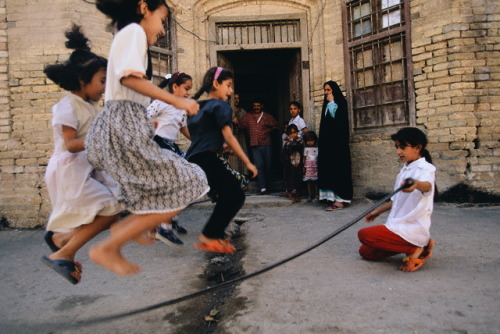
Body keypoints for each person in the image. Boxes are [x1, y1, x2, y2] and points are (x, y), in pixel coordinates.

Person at [85, 0, 209, 275]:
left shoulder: (125, 36)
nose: (163, 30)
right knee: (192, 180)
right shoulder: (134, 32)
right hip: (124, 125)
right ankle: (109, 246)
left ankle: (135, 227)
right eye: (163, 19)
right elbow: (130, 78)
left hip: (120, 125)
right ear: (144, 7)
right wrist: (177, 102)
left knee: (156, 185)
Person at [41, 25, 123, 284]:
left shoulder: (90, 106)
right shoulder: (67, 105)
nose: (104, 88)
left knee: (111, 209)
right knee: (111, 209)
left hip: (83, 169)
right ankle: (63, 251)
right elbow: (70, 144)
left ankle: (63, 240)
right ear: (82, 80)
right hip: (69, 170)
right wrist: (100, 138)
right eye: (101, 81)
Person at [187, 67, 257, 253]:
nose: (231, 91)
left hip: (195, 157)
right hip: (205, 158)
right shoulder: (222, 106)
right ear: (216, 84)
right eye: (228, 85)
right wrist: (248, 162)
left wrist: (221, 147)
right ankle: (209, 236)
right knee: (236, 194)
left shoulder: (198, 106)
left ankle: (215, 235)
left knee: (226, 194)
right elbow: (229, 136)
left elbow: (201, 135)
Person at [358, 127, 436, 272]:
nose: (398, 152)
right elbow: (396, 199)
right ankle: (418, 245)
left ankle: (416, 247)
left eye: (402, 147)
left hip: (412, 227)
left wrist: (416, 184)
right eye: (397, 147)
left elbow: (427, 186)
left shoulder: (426, 168)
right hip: (397, 225)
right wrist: (377, 212)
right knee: (365, 252)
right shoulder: (404, 170)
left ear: (418, 147)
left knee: (364, 235)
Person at [147, 72, 193, 247]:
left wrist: (197, 142)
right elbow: (143, 119)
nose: (188, 93)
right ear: (175, 87)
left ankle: (170, 219)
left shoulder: (181, 106)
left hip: (171, 146)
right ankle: (163, 227)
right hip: (158, 145)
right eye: (186, 88)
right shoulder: (160, 103)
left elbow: (182, 127)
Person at [317, 80, 353, 211]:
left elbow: (337, 121)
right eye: (325, 90)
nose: (326, 93)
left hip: (338, 145)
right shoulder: (326, 105)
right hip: (328, 145)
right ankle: (330, 197)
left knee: (339, 169)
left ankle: (340, 200)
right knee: (329, 169)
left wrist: (332, 102)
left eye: (329, 90)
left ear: (334, 90)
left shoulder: (340, 103)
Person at [239, 100, 278, 195]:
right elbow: (240, 125)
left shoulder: (267, 116)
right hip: (255, 145)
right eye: (254, 106)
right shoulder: (248, 117)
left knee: (267, 165)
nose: (256, 107)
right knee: (259, 166)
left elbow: (276, 125)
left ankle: (268, 186)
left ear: (262, 106)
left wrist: (267, 131)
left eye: (258, 106)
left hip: (266, 144)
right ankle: (263, 188)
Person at [282, 124, 304, 203]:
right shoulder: (287, 142)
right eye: (290, 133)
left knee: (298, 177)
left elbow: (299, 149)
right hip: (289, 164)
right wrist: (291, 142)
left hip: (298, 162)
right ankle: (290, 193)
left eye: (294, 133)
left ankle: (298, 194)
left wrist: (294, 142)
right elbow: (285, 153)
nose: (292, 135)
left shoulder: (300, 141)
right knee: (290, 178)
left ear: (297, 132)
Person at [228, 93, 248, 174]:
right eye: (234, 98)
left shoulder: (242, 111)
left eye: (238, 98)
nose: (236, 100)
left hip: (240, 136)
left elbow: (246, 124)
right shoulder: (227, 110)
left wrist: (238, 122)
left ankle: (243, 174)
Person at [302, 131, 319, 202]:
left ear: (314, 140)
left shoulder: (317, 149)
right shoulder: (306, 149)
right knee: (308, 181)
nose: (310, 142)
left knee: (316, 181)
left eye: (311, 140)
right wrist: (303, 167)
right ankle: (309, 195)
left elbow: (318, 158)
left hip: (315, 166)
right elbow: (304, 158)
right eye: (308, 141)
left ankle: (316, 195)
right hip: (308, 167)